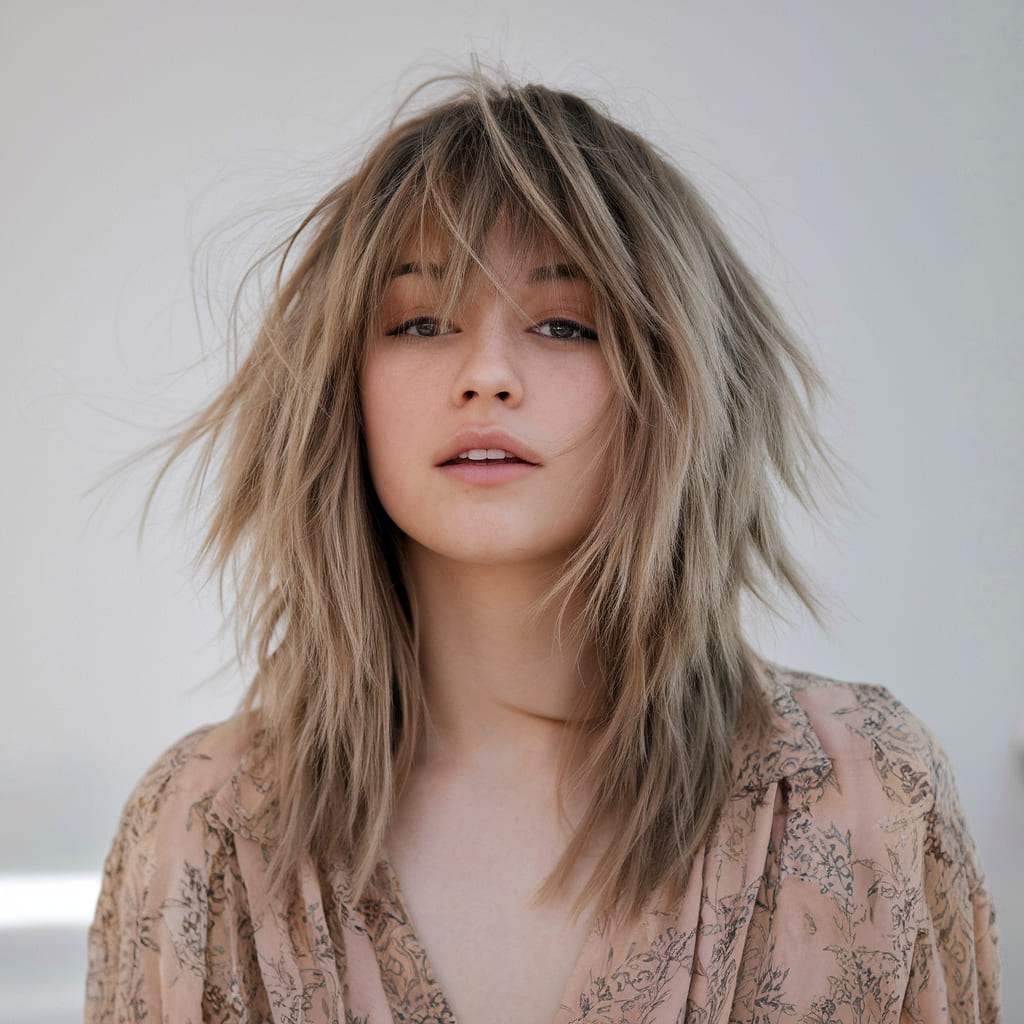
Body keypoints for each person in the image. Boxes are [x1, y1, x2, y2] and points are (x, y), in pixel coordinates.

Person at [85, 72, 1001, 1023]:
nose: (486, 375)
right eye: (421, 323)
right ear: (339, 389)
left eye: (565, 324)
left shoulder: (862, 795)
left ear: (675, 382)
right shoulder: (200, 832)